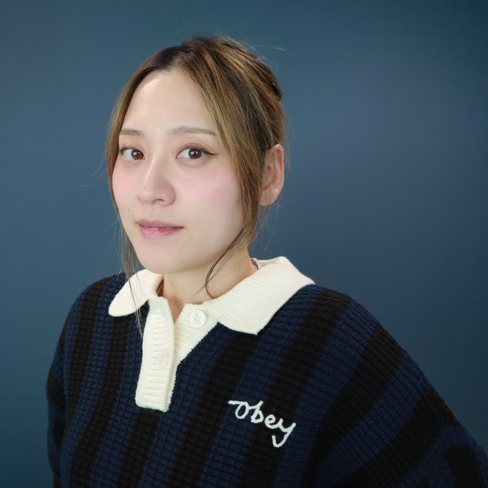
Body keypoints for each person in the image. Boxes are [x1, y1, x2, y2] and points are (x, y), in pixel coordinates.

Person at [47, 35, 488, 487]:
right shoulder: (91, 319)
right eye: (134, 152)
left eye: (193, 152)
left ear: (267, 174)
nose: (150, 189)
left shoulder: (332, 342)